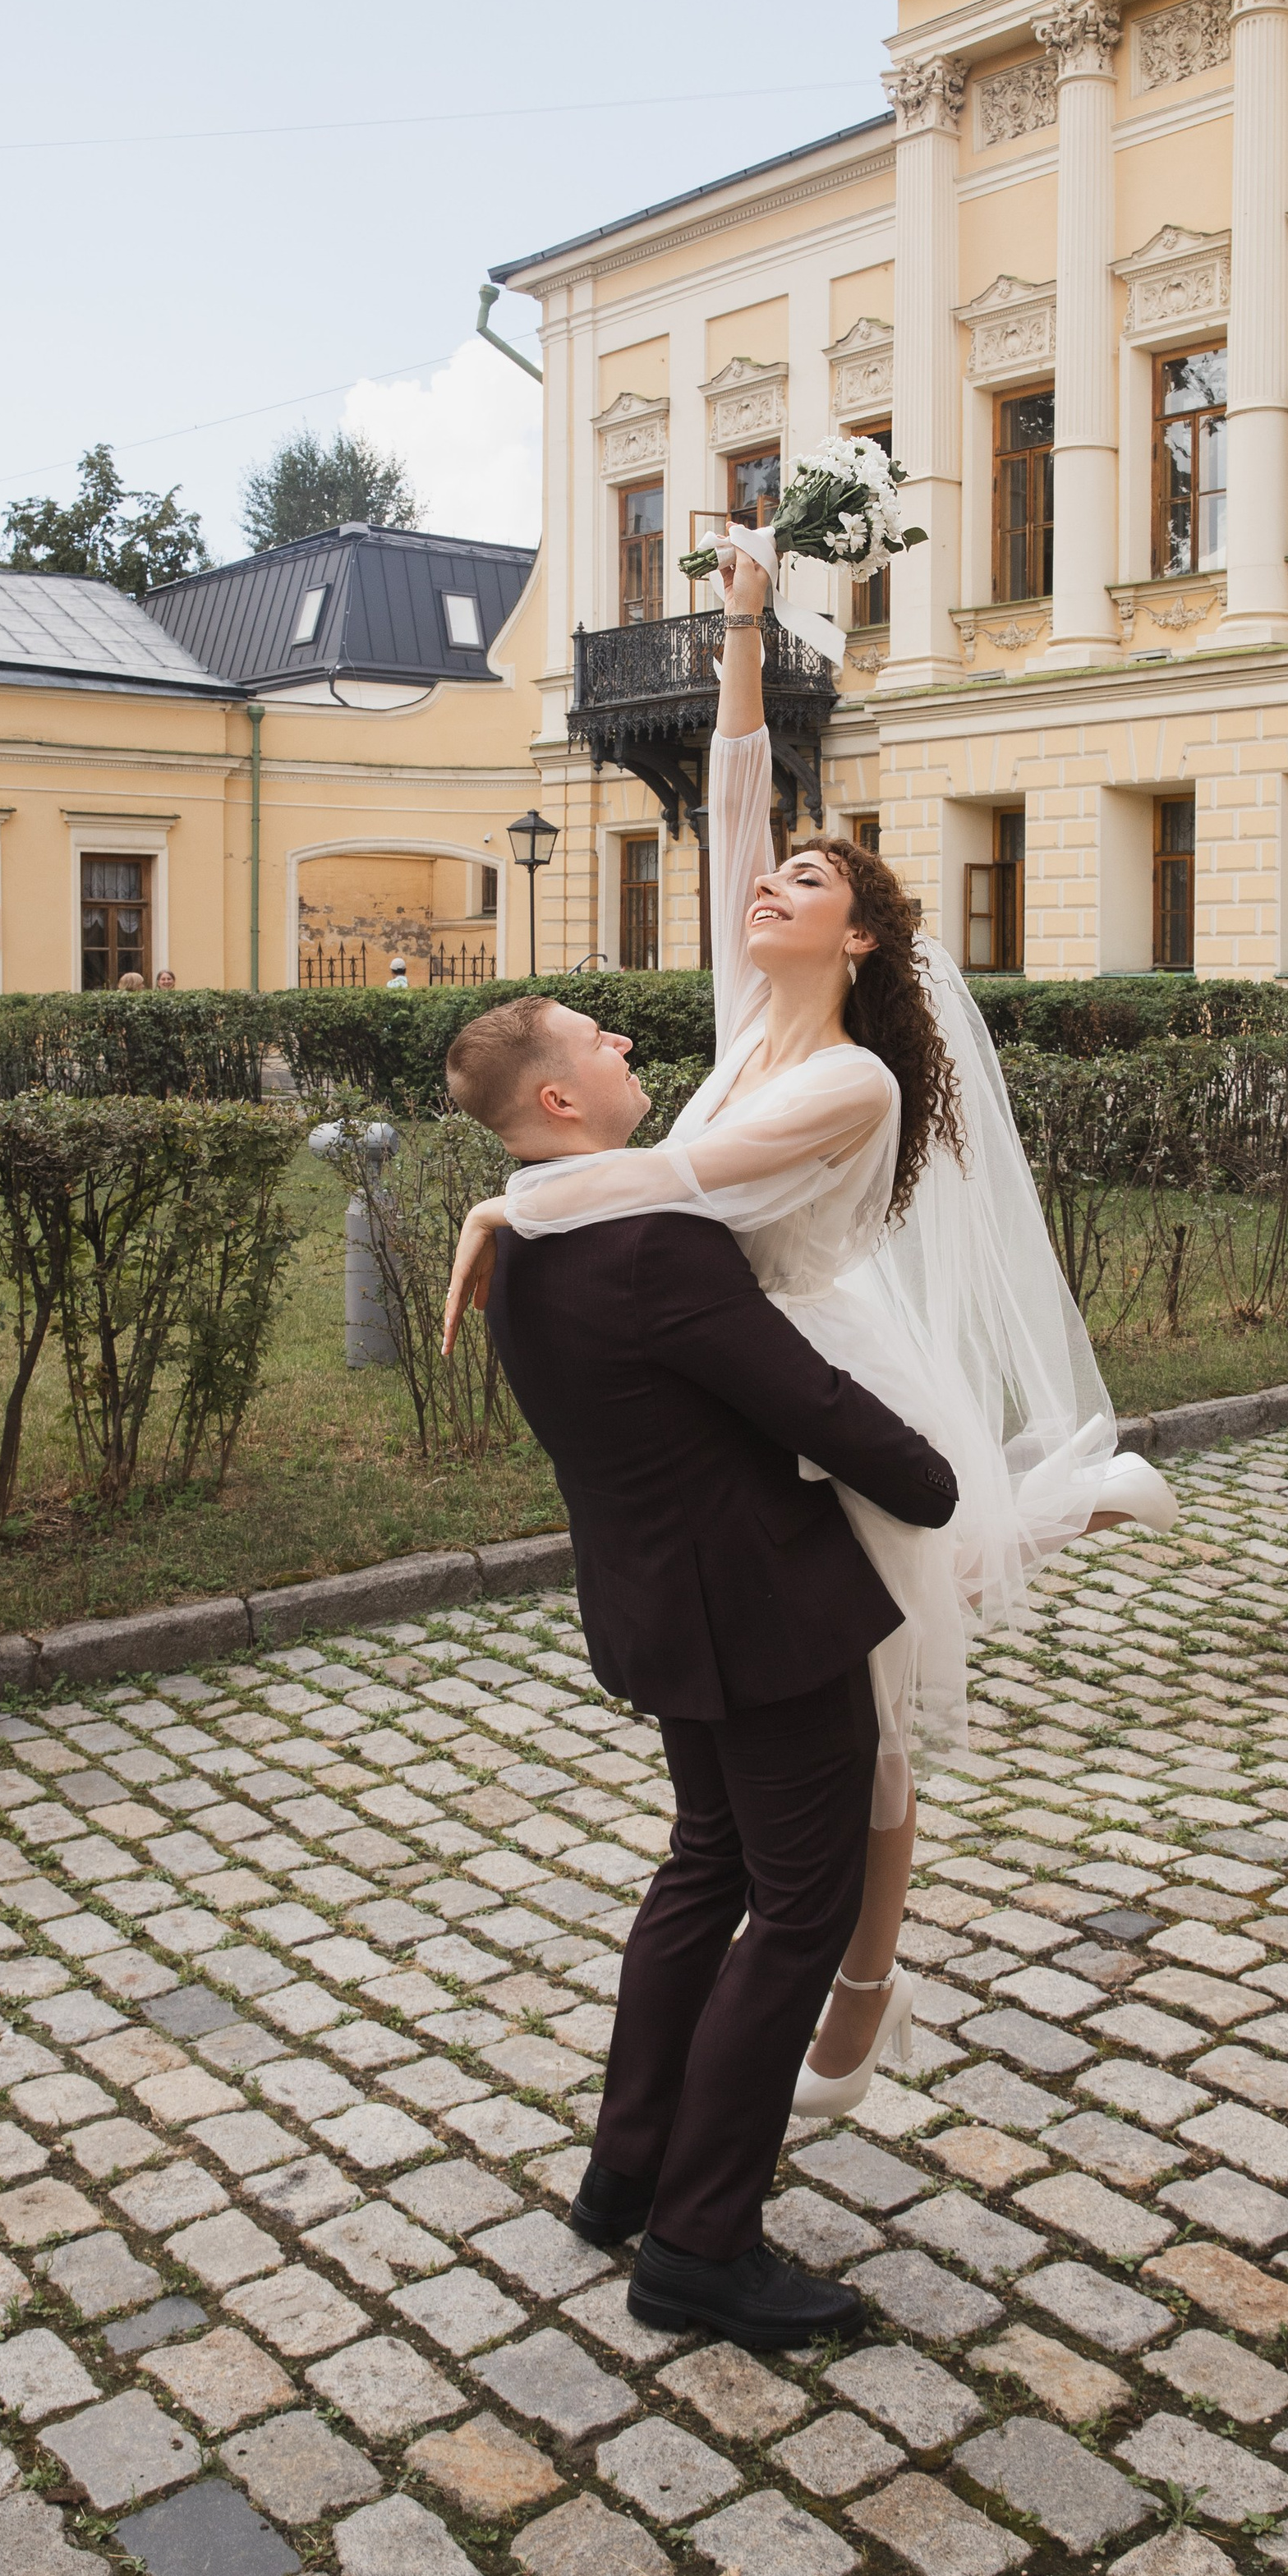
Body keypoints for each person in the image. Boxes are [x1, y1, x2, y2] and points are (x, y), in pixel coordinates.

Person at [444, 540, 1175, 2115]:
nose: (772, 881)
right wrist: (746, 628)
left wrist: (506, 1201)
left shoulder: (851, 1079)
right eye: (774, 875)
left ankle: (863, 1984)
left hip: (818, 1360)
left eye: (810, 880)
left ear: (852, 942)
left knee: (876, 1715)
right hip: (733, 1369)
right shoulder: (737, 1020)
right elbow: (729, 798)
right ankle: (1052, 1513)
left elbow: (675, 1177)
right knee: (835, 1710)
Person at [444, 991, 959, 2348]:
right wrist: (937, 1480)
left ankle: (626, 2172)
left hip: (661, 1607)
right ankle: (701, 2242)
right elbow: (802, 1396)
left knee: (706, 1869)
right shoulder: (644, 1241)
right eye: (593, 1038)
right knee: (801, 1908)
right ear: (558, 1101)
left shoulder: (531, 1228)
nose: (623, 1042)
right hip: (763, 1617)